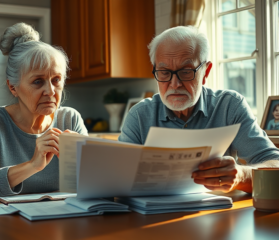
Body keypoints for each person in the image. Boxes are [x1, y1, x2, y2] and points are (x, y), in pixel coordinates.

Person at [119, 26, 279, 194]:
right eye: (165, 72)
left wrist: (242, 176)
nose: (175, 84)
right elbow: (117, 178)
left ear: (206, 71)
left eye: (186, 71)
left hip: (216, 216)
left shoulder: (229, 106)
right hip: (151, 216)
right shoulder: (139, 115)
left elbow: (275, 163)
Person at [0, 23, 88, 201]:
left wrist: (83, 161)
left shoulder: (70, 119)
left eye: (56, 80)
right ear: (13, 87)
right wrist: (33, 165)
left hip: (64, 221)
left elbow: (100, 185)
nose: (50, 91)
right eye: (38, 81)